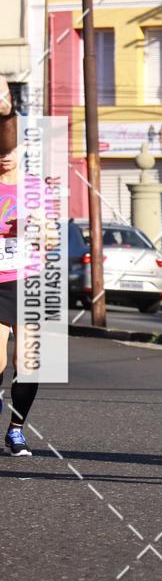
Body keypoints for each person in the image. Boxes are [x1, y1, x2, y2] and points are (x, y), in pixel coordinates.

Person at [0, 77, 39, 456]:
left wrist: (35, 227)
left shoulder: (35, 187)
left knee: (27, 364)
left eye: (13, 147)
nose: (6, 153)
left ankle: (15, 428)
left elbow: (52, 238)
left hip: (28, 279)